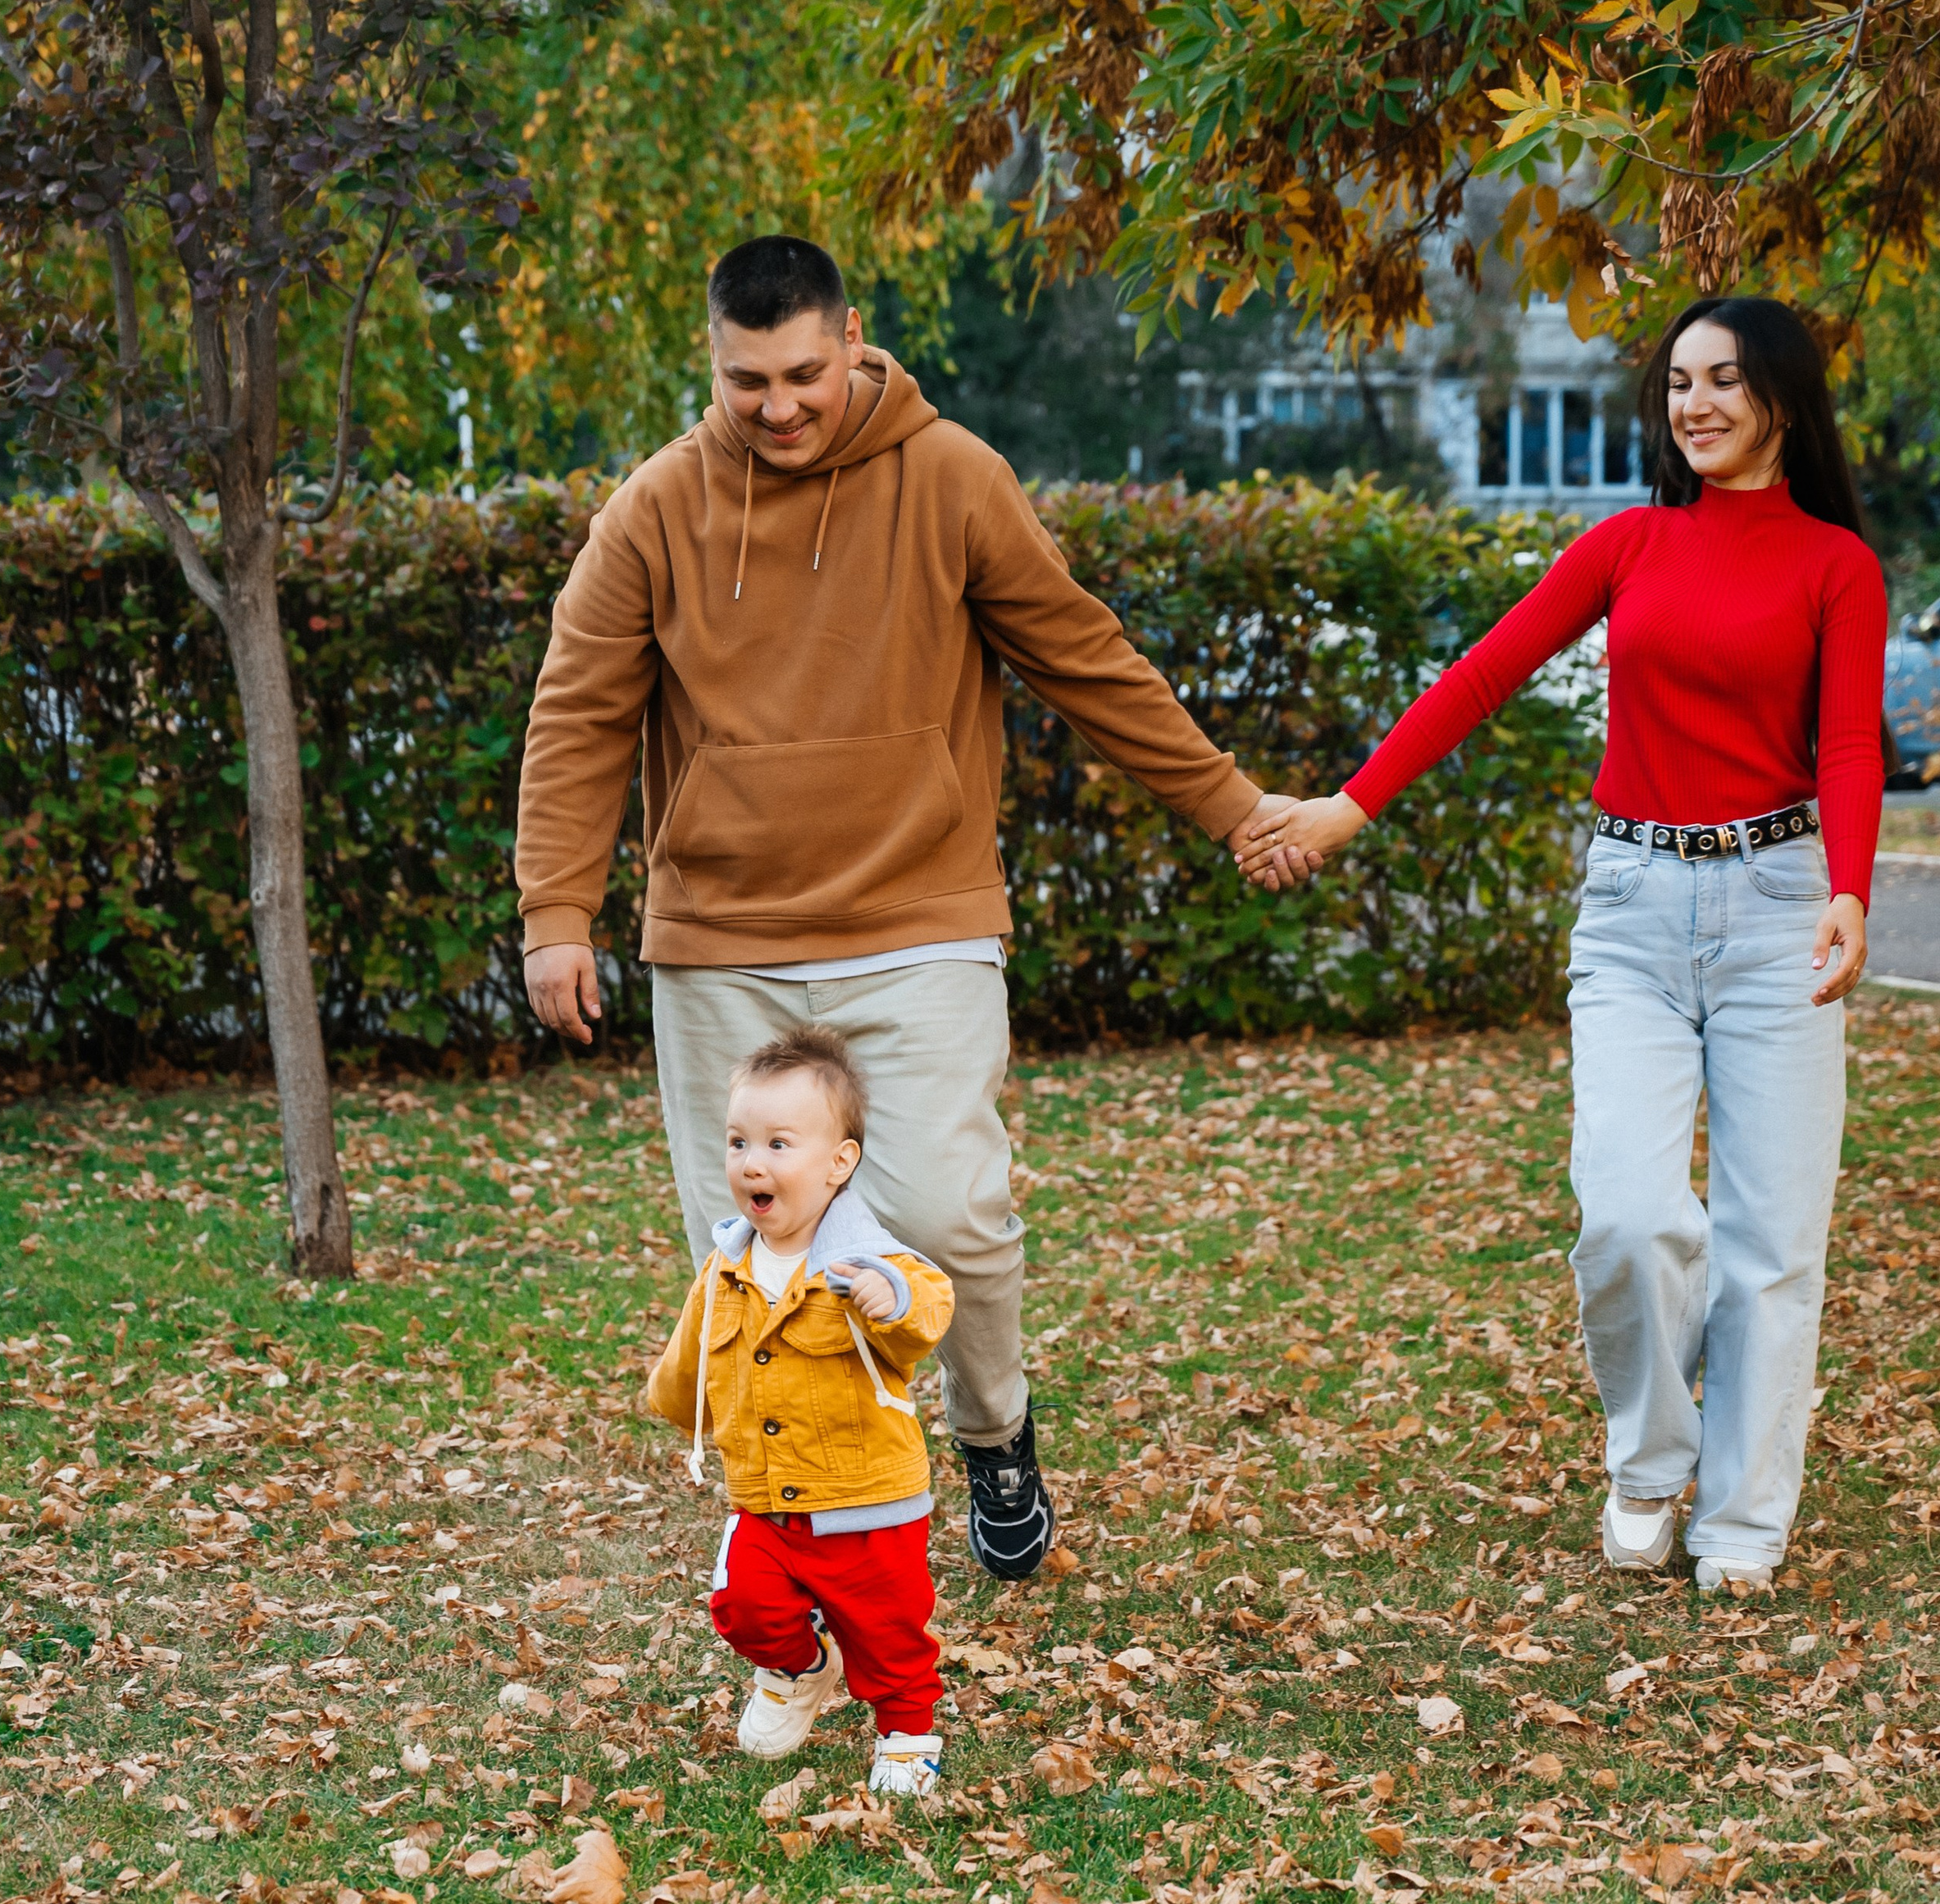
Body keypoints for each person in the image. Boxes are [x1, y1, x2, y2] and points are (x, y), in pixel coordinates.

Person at [517, 232, 1292, 1583]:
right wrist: (555, 911)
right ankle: (805, 1545)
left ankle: (994, 1433)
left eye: (803, 372)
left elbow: (1084, 657)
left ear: (853, 335)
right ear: (713, 364)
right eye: (746, 379)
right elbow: (581, 707)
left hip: (917, 918)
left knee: (949, 1214)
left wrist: (1232, 807)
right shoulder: (655, 506)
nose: (779, 405)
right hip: (724, 944)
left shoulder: (951, 477)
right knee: (759, 1256)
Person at [1237, 296, 1885, 1597]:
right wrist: (1349, 809)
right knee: (1630, 1216)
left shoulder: (1836, 566)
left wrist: (1854, 891)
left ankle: (1744, 1526)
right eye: (1679, 383)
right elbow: (1484, 672)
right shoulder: (1629, 545)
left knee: (1772, 1246)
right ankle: (1651, 1460)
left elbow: (1853, 743)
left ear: (1781, 400)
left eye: (1723, 381)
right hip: (1635, 908)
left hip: (1777, 906)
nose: (1694, 405)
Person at [646, 1027, 955, 1798]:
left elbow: (931, 1303)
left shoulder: (865, 1260)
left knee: (888, 1635)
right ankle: (800, 1667)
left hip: (868, 1503)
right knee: (741, 1607)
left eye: (779, 1143)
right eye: (738, 1141)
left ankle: (909, 1733)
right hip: (766, 1496)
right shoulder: (727, 1267)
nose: (753, 1161)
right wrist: (673, 1405)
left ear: (838, 1164)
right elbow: (694, 1356)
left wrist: (895, 1297)